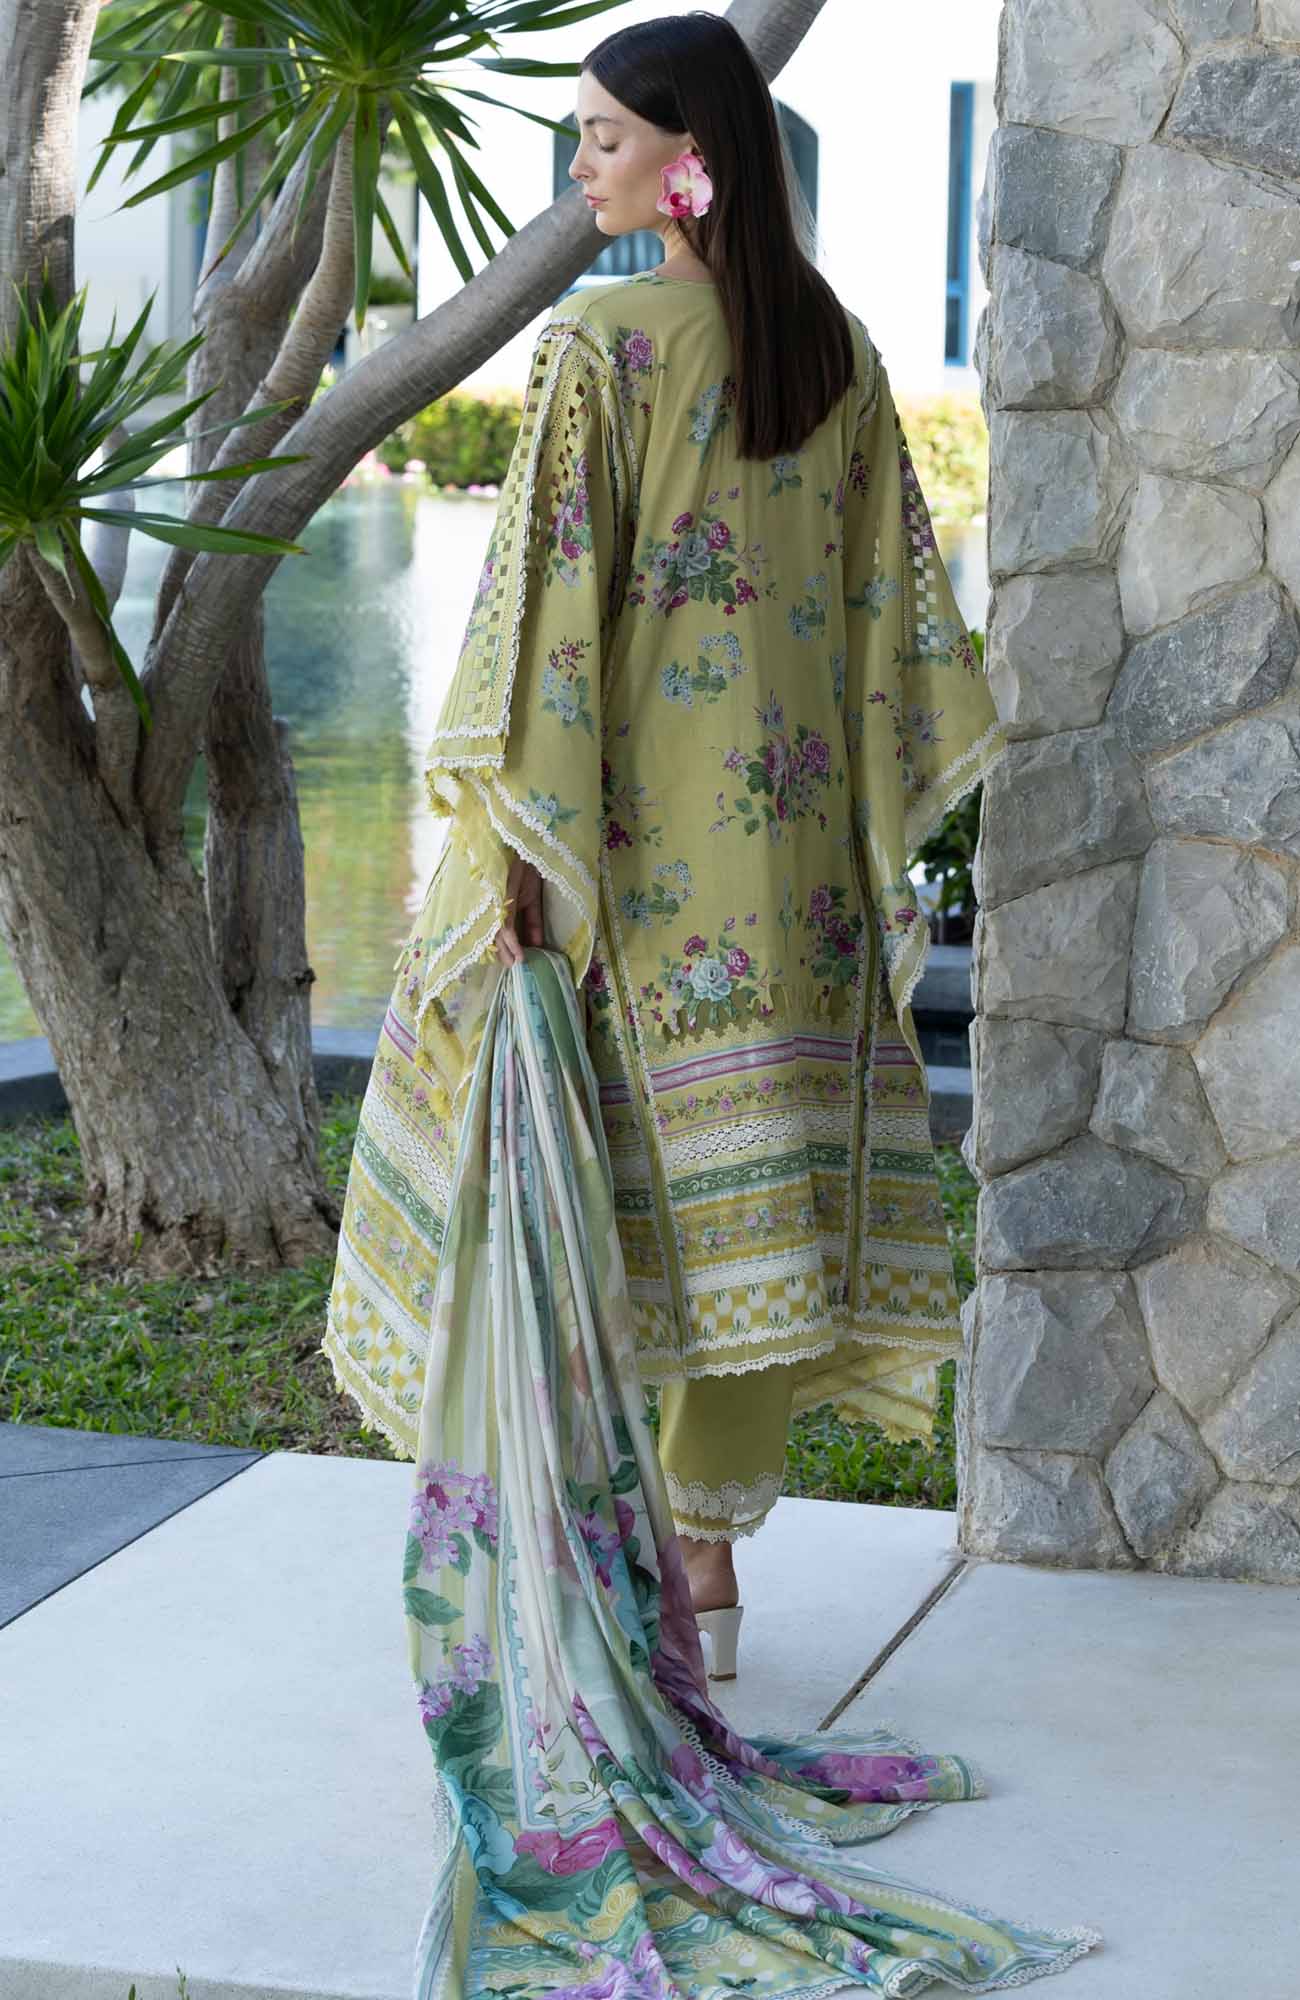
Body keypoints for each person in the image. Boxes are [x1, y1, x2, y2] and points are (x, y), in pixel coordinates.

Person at [321, 19, 1106, 1996]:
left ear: (691, 157)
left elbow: (546, 630)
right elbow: (898, 645)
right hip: (796, 889)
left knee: (602, 1216)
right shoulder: (833, 351)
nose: (579, 168)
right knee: (737, 1222)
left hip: (635, 879)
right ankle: (706, 1575)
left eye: (602, 139)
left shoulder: (602, 351)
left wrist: (520, 860)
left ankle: (616, 1593)